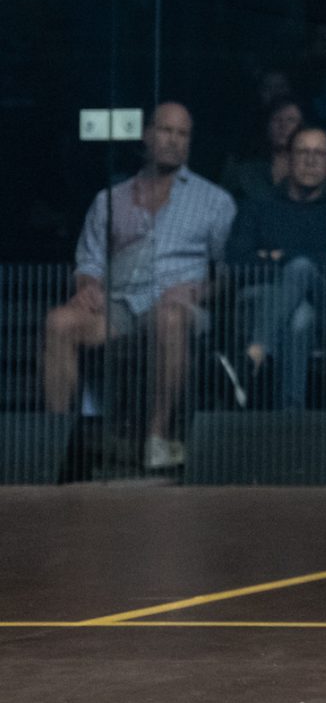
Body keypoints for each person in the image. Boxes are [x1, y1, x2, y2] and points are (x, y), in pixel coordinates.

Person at [43, 103, 236, 471]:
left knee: (168, 317)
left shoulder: (215, 201)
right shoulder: (110, 199)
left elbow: (227, 272)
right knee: (59, 322)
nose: (174, 140)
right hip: (119, 303)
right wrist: (87, 285)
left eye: (182, 134)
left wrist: (200, 292)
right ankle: (57, 440)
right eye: (166, 130)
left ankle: (156, 439)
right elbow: (90, 260)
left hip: (177, 305)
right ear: (147, 135)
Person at [223, 124, 326, 409]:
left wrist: (277, 257)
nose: (310, 161)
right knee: (300, 316)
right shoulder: (257, 206)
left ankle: (254, 355)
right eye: (302, 152)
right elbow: (238, 264)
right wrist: (318, 258)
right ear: (288, 159)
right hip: (259, 300)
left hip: (325, 306)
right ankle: (291, 415)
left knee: (300, 270)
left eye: (319, 154)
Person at [219, 97, 306, 207]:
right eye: (276, 119)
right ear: (267, 125)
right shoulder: (243, 166)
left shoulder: (311, 167)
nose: (283, 126)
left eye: (291, 120)